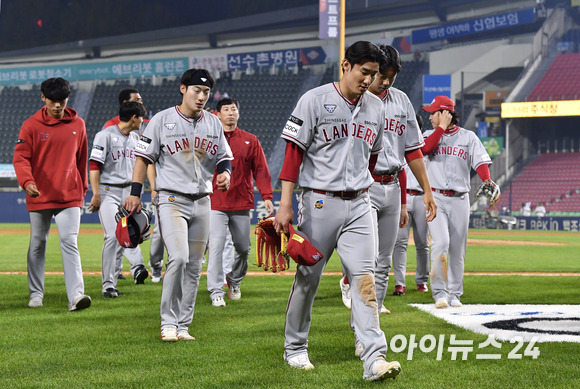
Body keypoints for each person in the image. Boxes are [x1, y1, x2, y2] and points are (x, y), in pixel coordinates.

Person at [274, 41, 401, 381]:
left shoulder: (376, 107)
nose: (369, 80)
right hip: (319, 202)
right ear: (346, 66)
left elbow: (372, 158)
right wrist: (285, 205)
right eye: (364, 72)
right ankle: (295, 348)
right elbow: (292, 156)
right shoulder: (314, 100)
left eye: (374, 74)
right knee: (307, 279)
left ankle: (374, 357)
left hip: (360, 203)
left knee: (365, 280)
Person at [123, 68, 233, 342]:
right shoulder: (162, 120)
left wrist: (226, 172)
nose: (202, 96)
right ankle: (168, 322)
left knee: (195, 265)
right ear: (183, 88)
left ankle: (184, 325)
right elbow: (142, 159)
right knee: (180, 258)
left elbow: (224, 156)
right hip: (171, 199)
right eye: (197, 90)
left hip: (203, 201)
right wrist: (136, 193)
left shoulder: (213, 123)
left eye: (206, 92)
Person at [338, 45, 436, 315]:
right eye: (382, 75)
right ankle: (351, 288)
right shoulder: (353, 100)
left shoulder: (401, 101)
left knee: (384, 261)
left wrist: (426, 190)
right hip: (364, 187)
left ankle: (373, 316)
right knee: (366, 261)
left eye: (392, 76)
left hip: (392, 185)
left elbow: (413, 150)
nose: (386, 81)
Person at [13, 77, 92, 311]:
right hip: (39, 194)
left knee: (70, 242)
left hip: (70, 195)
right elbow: (21, 158)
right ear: (43, 98)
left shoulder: (79, 125)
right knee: (38, 243)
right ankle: (36, 294)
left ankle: (76, 296)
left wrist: (82, 188)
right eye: (53, 101)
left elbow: (82, 159)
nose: (58, 106)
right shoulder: (30, 125)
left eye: (62, 101)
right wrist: (27, 181)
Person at [421, 95, 494, 308]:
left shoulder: (468, 137)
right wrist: (441, 128)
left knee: (458, 249)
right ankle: (439, 293)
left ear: (445, 113)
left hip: (460, 199)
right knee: (441, 243)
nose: (430, 116)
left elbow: (480, 162)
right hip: (435, 199)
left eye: (434, 112)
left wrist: (487, 180)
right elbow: (426, 149)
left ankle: (454, 294)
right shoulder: (428, 134)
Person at [206, 97, 274, 307]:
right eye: (226, 110)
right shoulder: (209, 139)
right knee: (216, 247)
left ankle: (234, 280)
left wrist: (267, 196)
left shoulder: (250, 140)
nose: (230, 113)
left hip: (241, 203)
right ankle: (216, 290)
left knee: (243, 248)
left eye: (234, 109)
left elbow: (261, 169)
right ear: (218, 114)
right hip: (215, 201)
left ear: (239, 113)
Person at [88, 101, 150, 298]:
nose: (142, 121)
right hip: (108, 192)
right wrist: (96, 193)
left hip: (128, 194)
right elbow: (94, 165)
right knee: (113, 236)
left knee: (133, 235)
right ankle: (108, 286)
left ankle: (115, 280)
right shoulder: (105, 135)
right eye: (141, 117)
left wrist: (136, 195)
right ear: (134, 117)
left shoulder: (135, 138)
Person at [391, 113, 432, 296]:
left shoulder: (426, 144)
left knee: (422, 243)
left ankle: (422, 281)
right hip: (402, 198)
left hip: (422, 197)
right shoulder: (394, 143)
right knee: (399, 243)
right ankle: (400, 283)